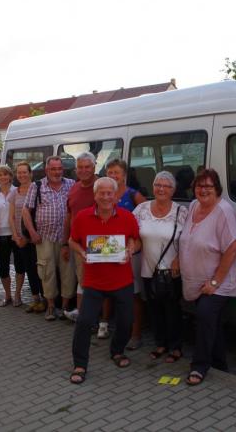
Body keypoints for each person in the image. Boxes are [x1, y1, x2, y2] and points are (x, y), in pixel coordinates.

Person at [68, 177, 141, 384]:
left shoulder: (127, 217)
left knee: (126, 322)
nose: (106, 197)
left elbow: (136, 240)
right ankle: (80, 364)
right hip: (94, 282)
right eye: (102, 193)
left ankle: (117, 351)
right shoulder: (82, 217)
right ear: (95, 195)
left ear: (116, 196)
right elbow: (72, 240)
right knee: (83, 323)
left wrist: (130, 249)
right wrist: (81, 251)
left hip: (122, 280)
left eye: (110, 193)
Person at [179, 168, 236, 386]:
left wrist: (215, 281)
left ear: (217, 189)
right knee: (211, 321)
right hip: (199, 279)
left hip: (220, 280)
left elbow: (233, 247)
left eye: (208, 186)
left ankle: (199, 366)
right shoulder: (194, 206)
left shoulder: (223, 211)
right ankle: (220, 364)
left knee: (205, 316)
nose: (203, 190)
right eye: (199, 186)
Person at [133, 171, 188, 363]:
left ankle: (175, 347)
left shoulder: (181, 212)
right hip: (148, 269)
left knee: (173, 310)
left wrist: (179, 259)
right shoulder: (141, 209)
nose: (161, 189)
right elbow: (132, 234)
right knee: (154, 309)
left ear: (173, 190)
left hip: (172, 271)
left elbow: (189, 240)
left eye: (166, 186)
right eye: (158, 185)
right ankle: (160, 344)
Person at [22, 156, 76, 321]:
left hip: (66, 238)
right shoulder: (36, 186)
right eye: (53, 169)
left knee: (68, 273)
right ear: (46, 170)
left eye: (59, 168)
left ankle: (65, 306)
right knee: (47, 272)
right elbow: (26, 211)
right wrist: (32, 232)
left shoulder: (71, 184)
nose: (57, 172)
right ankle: (51, 306)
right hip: (44, 237)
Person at [105, 158, 146, 348]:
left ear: (124, 175)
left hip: (130, 253)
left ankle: (135, 334)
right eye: (110, 172)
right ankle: (114, 329)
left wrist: (133, 242)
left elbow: (145, 224)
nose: (113, 176)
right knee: (110, 291)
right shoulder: (105, 194)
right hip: (109, 250)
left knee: (133, 294)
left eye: (117, 172)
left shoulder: (134, 195)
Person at [62, 152, 99, 322]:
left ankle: (94, 318)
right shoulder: (75, 187)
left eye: (87, 167)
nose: (84, 170)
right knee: (82, 279)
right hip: (77, 244)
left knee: (92, 282)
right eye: (80, 167)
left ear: (94, 167)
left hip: (97, 243)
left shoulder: (101, 186)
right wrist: (65, 242)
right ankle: (83, 315)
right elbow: (69, 216)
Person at [9, 162, 46, 313]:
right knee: (29, 269)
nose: (22, 175)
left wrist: (30, 235)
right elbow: (11, 217)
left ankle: (46, 299)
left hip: (37, 236)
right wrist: (16, 236)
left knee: (41, 269)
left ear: (31, 173)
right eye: (19, 173)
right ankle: (35, 299)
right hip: (21, 238)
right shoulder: (14, 192)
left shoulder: (38, 189)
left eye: (25, 172)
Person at [0, 165, 18, 307]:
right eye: (0, 175)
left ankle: (18, 295)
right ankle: (8, 295)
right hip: (1, 235)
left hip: (16, 234)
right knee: (2, 267)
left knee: (20, 265)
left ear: (10, 176)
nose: (3, 177)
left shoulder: (17, 191)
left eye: (5, 174)